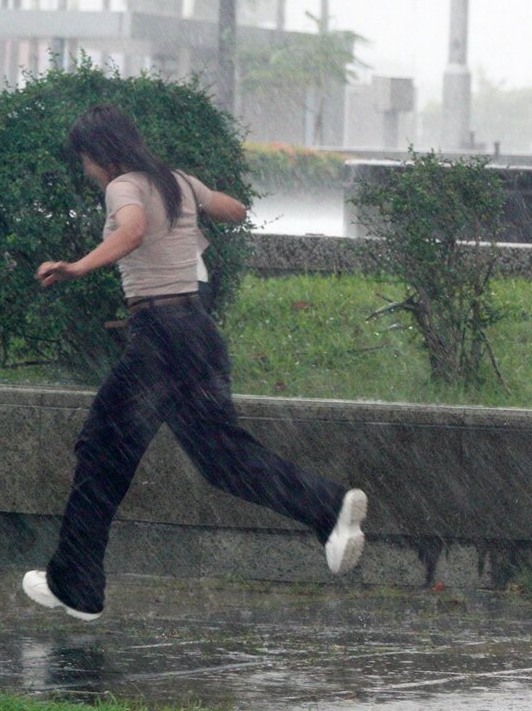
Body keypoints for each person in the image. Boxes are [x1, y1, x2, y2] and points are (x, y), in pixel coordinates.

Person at [21, 105, 368, 621]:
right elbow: (235, 209)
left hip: (159, 336)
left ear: (98, 155)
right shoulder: (176, 181)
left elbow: (132, 232)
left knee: (100, 451)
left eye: (86, 161)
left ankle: (76, 582)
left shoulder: (122, 187)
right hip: (198, 334)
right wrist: (196, 206)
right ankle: (328, 508)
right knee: (220, 457)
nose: (87, 171)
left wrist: (77, 267)